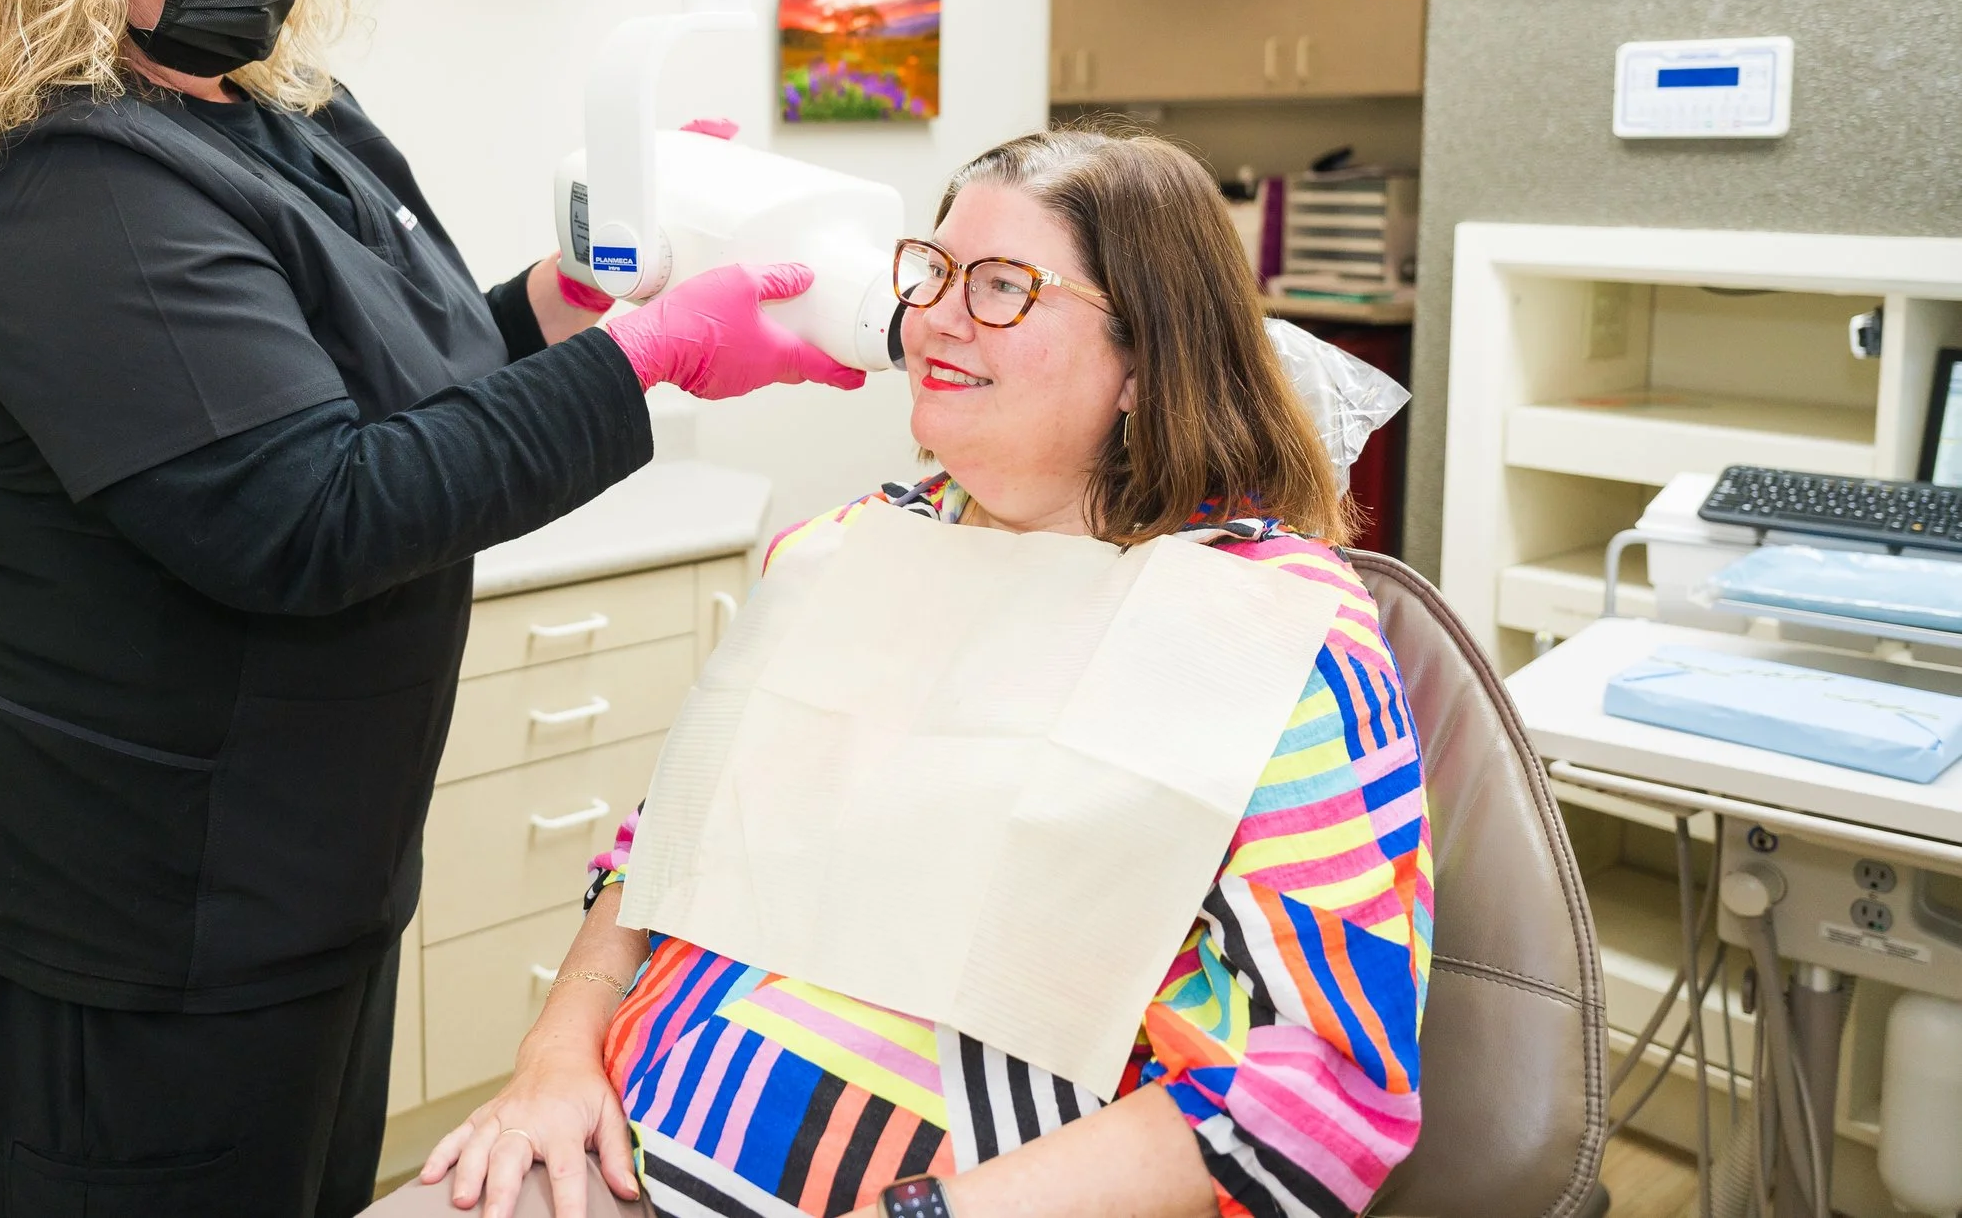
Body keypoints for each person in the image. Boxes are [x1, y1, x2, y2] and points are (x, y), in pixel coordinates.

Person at [0, 0, 860, 1218]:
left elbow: (394, 369)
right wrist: (643, 360)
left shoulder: (274, 109)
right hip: (137, 900)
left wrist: (574, 294)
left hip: (290, 861)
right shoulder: (80, 194)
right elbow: (314, 507)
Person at [416, 131, 1430, 1218]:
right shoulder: (849, 548)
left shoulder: (1273, 630)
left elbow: (1318, 1090)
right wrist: (555, 1049)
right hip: (610, 1150)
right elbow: (660, 851)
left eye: (1002, 286)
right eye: (933, 271)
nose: (935, 316)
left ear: (1144, 360)